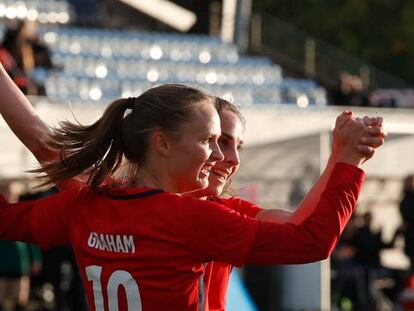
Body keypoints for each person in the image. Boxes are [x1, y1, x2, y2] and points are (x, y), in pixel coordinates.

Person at [0, 64, 386, 310]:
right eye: (214, 140)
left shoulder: (91, 201)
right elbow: (308, 239)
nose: (224, 156)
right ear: (163, 143)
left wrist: (339, 157)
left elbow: (40, 160)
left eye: (232, 144)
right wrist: (347, 162)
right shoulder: (194, 217)